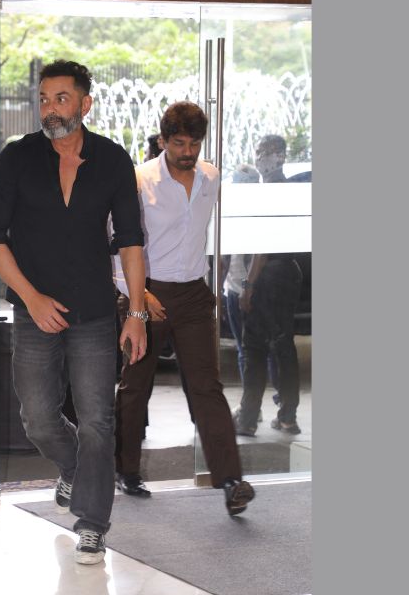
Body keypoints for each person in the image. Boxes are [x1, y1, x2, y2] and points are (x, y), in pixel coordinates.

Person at [0, 60, 147, 565]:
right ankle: (74, 469)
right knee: (37, 419)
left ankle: (92, 524)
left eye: (61, 98)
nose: (50, 109)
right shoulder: (17, 158)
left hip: (94, 313)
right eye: (44, 99)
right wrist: (31, 297)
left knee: (97, 420)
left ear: (85, 104)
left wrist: (136, 313)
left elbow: (130, 241)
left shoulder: (112, 160)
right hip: (34, 312)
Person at [112, 102, 255, 517]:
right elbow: (116, 243)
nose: (187, 152)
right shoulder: (139, 180)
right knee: (135, 385)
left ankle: (230, 481)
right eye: (178, 143)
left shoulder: (211, 177)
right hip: (147, 293)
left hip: (193, 294)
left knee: (207, 387)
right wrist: (137, 295)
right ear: (163, 141)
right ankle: (127, 470)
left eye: (194, 144)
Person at [234, 134, 305, 436]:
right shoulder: (291, 190)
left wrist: (248, 286)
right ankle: (288, 416)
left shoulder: (272, 192)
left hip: (269, 275)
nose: (259, 157)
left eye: (264, 151)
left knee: (254, 347)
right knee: (284, 346)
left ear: (279, 156)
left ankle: (248, 417)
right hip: (288, 272)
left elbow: (262, 246)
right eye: (259, 151)